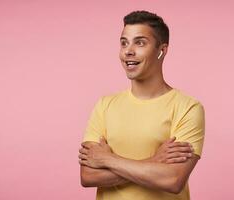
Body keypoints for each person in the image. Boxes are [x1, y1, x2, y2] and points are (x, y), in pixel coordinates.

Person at [78, 10, 205, 200]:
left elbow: (173, 179)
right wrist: (154, 161)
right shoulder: (105, 105)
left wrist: (107, 159)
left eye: (140, 42)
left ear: (162, 50)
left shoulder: (188, 107)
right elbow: (88, 176)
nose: (128, 50)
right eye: (124, 43)